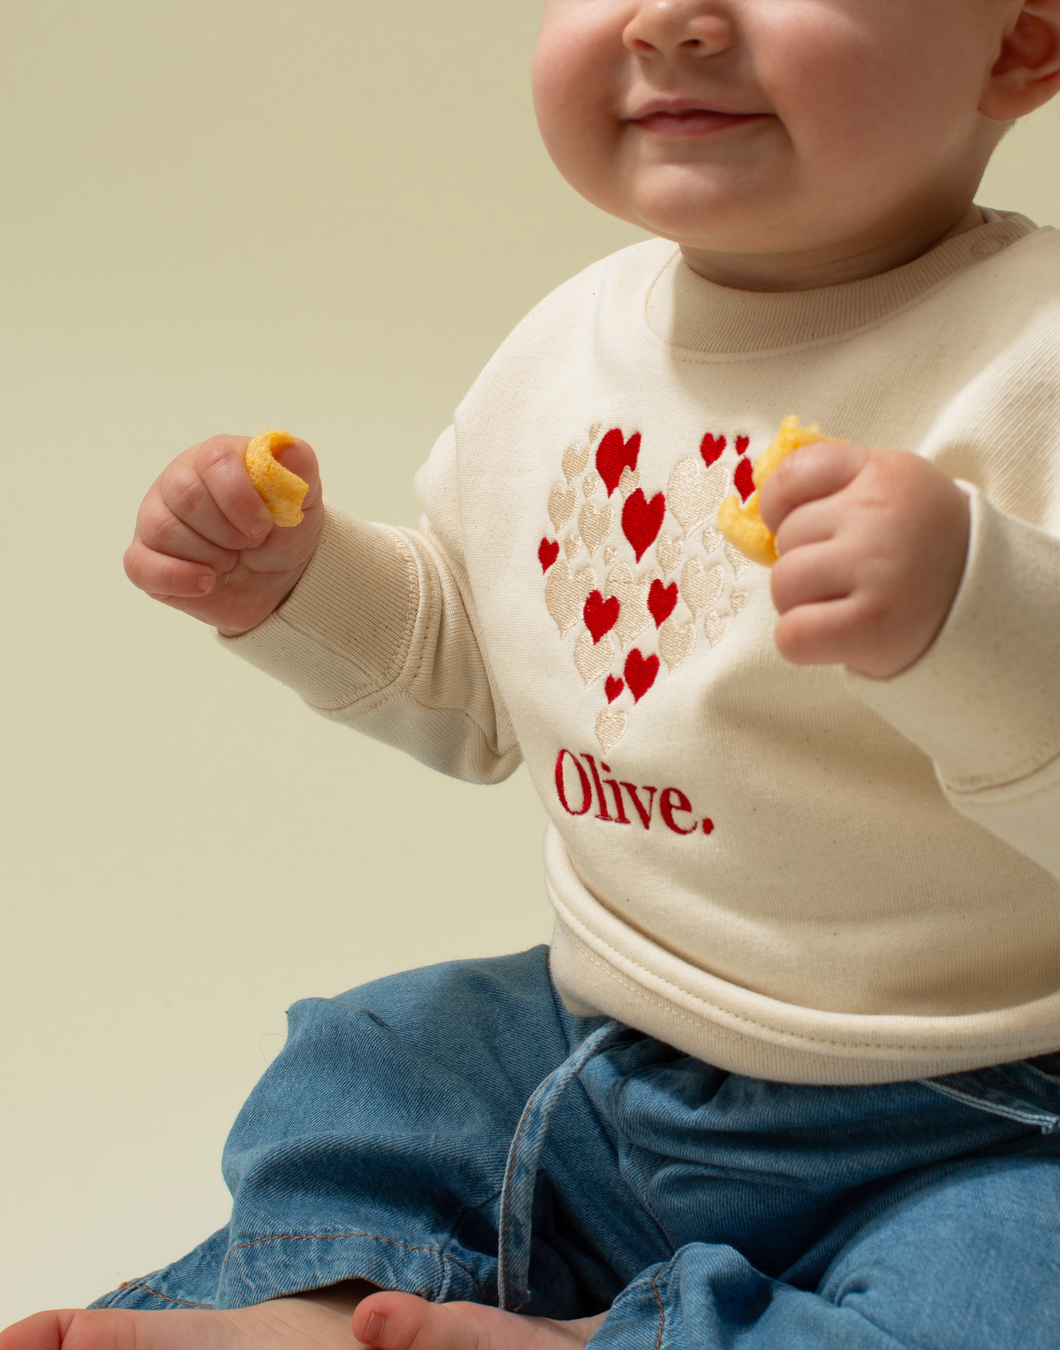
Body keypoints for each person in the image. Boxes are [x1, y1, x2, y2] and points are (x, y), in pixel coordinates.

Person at [7, 0, 1060, 1346]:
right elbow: (481, 668)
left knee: (1014, 1285)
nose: (674, 22)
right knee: (379, 1055)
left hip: (979, 1107)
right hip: (609, 1050)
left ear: (1019, 49)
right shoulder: (575, 342)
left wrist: (972, 607)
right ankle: (316, 1295)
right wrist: (298, 584)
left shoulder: (1032, 358)